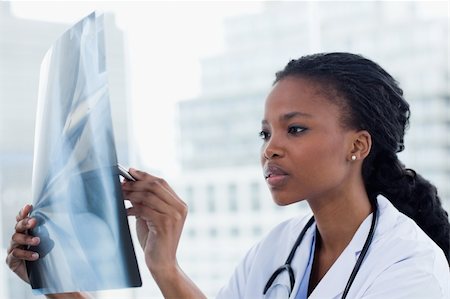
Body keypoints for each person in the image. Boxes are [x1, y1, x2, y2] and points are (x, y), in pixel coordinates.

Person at [6, 53, 450, 299]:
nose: (270, 148)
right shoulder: (278, 249)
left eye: (295, 128)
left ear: (358, 145)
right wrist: (58, 280)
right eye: (266, 132)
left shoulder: (412, 269)